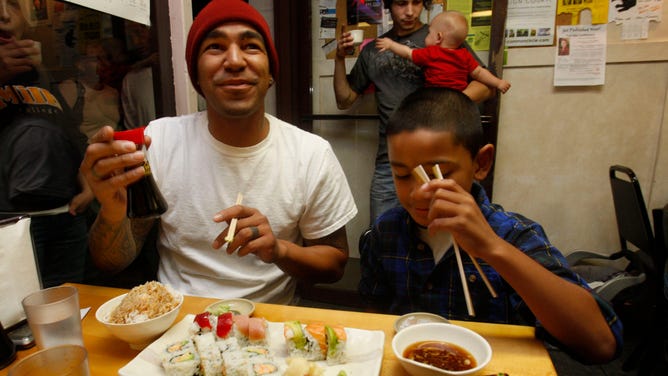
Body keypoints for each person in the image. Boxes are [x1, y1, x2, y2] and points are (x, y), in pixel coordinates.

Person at [81, 0, 358, 304]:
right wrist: (111, 211)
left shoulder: (310, 154)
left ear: (270, 75)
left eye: (251, 46)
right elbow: (111, 262)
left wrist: (278, 250)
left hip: (269, 324)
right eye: (215, 47)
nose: (235, 61)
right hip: (177, 325)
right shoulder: (157, 143)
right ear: (196, 77)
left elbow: (335, 265)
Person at [358, 87, 623, 363]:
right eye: (401, 174)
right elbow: (373, 314)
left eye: (438, 174)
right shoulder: (386, 232)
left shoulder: (514, 235)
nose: (418, 193)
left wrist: (492, 247)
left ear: (481, 163)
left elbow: (602, 344)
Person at [334, 0, 492, 225]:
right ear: (388, 6)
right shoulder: (374, 49)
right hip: (391, 162)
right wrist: (339, 58)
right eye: (400, 3)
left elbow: (485, 85)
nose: (409, 11)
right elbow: (344, 99)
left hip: (439, 159)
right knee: (382, 235)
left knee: (443, 233)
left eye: (416, 2)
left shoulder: (441, 36)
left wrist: (442, 104)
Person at [0, 0, 92, 287]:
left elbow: (67, 131)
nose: (4, 15)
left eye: (13, 4)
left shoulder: (38, 71)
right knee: (15, 321)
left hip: (64, 216)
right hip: (8, 225)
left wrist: (88, 179)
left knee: (70, 313)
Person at [376, 10, 510, 94]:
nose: (426, 37)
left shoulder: (432, 53)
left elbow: (407, 53)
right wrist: (498, 83)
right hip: (457, 99)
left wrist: (391, 44)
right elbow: (479, 73)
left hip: (434, 98)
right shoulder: (464, 55)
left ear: (439, 37)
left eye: (429, 34)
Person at [58, 39, 122, 139]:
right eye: (96, 59)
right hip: (86, 151)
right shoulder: (71, 88)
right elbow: (61, 127)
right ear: (81, 64)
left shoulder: (112, 92)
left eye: (105, 58)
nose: (103, 63)